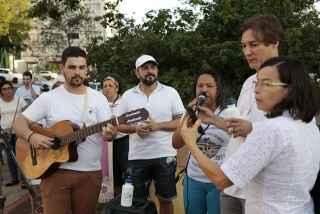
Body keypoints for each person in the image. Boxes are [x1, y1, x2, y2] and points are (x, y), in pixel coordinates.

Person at [179, 57, 320, 214]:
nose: (256, 90)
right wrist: (212, 119)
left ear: (290, 89)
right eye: (257, 82)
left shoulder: (271, 130)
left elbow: (221, 179)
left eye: (266, 84)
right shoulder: (308, 124)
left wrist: (191, 143)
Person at [13, 46, 113, 214]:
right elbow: (18, 122)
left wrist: (110, 133)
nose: (77, 72)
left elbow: (109, 133)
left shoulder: (98, 98)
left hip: (89, 173)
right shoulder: (49, 98)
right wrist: (32, 137)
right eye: (72, 67)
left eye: (82, 67)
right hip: (54, 173)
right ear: (62, 68)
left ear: (87, 69)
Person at [221, 15, 284, 214]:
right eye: (243, 46)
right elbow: (238, 127)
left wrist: (252, 129)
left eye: (254, 44)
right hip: (231, 184)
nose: (247, 52)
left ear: (274, 42)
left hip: (264, 191)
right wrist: (210, 118)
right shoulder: (248, 83)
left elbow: (295, 135)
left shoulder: (290, 83)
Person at [116, 54, 185, 214]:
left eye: (152, 67)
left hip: (165, 154)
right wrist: (135, 129)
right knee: (137, 203)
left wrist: (157, 126)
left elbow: (180, 122)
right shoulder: (128, 95)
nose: (150, 71)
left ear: (157, 70)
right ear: (136, 72)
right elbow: (119, 124)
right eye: (145, 68)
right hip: (137, 156)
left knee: (166, 199)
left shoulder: (170, 92)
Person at [172, 69, 240, 214]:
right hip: (194, 178)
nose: (204, 89)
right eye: (200, 86)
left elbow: (241, 136)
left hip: (218, 180)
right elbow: (176, 143)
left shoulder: (230, 112)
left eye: (209, 86)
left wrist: (214, 120)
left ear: (218, 89)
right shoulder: (192, 112)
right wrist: (187, 115)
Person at [99, 75, 129, 202]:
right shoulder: (99, 103)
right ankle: (114, 200)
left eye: (110, 85)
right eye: (104, 86)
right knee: (112, 174)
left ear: (117, 88)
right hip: (105, 144)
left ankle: (127, 200)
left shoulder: (124, 102)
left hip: (122, 142)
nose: (107, 88)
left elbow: (130, 121)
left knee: (125, 171)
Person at [0, 80, 27, 186]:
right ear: (1, 91)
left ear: (12, 89)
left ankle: (24, 180)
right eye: (4, 89)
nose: (7, 91)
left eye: (9, 88)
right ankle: (14, 179)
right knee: (10, 156)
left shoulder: (19, 100)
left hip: (19, 132)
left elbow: (27, 114)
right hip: (6, 133)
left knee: (21, 155)